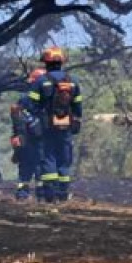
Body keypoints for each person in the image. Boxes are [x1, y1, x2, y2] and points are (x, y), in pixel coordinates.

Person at [22, 47, 83, 203]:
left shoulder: (41, 81)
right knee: (64, 159)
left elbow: (31, 105)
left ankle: (50, 194)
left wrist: (34, 120)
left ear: (46, 63)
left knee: (49, 158)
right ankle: (63, 194)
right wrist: (75, 120)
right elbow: (78, 107)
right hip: (66, 126)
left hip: (46, 127)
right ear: (61, 62)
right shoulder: (73, 82)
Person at [9, 68, 47, 201]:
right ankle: (40, 195)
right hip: (37, 138)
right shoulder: (46, 99)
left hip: (27, 138)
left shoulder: (24, 99)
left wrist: (16, 135)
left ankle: (23, 194)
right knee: (39, 166)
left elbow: (16, 119)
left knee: (27, 166)